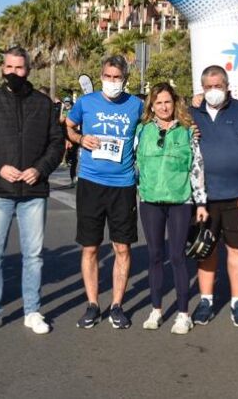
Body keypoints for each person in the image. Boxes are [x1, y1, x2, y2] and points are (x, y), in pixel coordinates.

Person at [0, 47, 64, 336]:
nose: (13, 73)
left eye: (19, 68)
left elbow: (56, 143)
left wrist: (40, 169)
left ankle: (32, 311)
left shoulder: (43, 104)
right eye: (9, 67)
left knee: (33, 256)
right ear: (2, 69)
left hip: (33, 190)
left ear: (28, 70)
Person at [64, 55, 144, 329]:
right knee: (90, 247)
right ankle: (92, 304)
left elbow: (161, 118)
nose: (112, 81)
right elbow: (69, 126)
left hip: (123, 185)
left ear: (125, 79)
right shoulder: (86, 103)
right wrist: (80, 138)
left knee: (122, 247)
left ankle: (117, 306)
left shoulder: (136, 105)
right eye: (108, 76)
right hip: (91, 182)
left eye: (117, 77)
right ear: (101, 77)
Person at [189, 65, 238, 328]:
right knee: (205, 249)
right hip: (203, 198)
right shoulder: (192, 114)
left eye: (218, 86)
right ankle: (206, 301)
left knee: (237, 249)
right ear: (202, 89)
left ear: (227, 86)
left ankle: (237, 303)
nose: (213, 91)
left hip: (237, 197)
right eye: (208, 87)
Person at [136, 82, 206, 334]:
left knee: (177, 256)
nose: (164, 107)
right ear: (151, 106)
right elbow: (134, 163)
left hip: (180, 201)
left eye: (167, 101)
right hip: (150, 201)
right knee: (155, 255)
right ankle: (156, 310)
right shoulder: (142, 130)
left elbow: (196, 167)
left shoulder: (188, 131)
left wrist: (201, 202)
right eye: (159, 103)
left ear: (174, 103)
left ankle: (183, 314)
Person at [60, 97, 79, 187]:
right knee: (74, 158)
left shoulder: (75, 111)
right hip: (69, 136)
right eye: (65, 103)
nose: (67, 104)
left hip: (78, 135)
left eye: (68, 103)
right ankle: (73, 179)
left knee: (76, 158)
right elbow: (61, 121)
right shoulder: (65, 111)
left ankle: (75, 179)